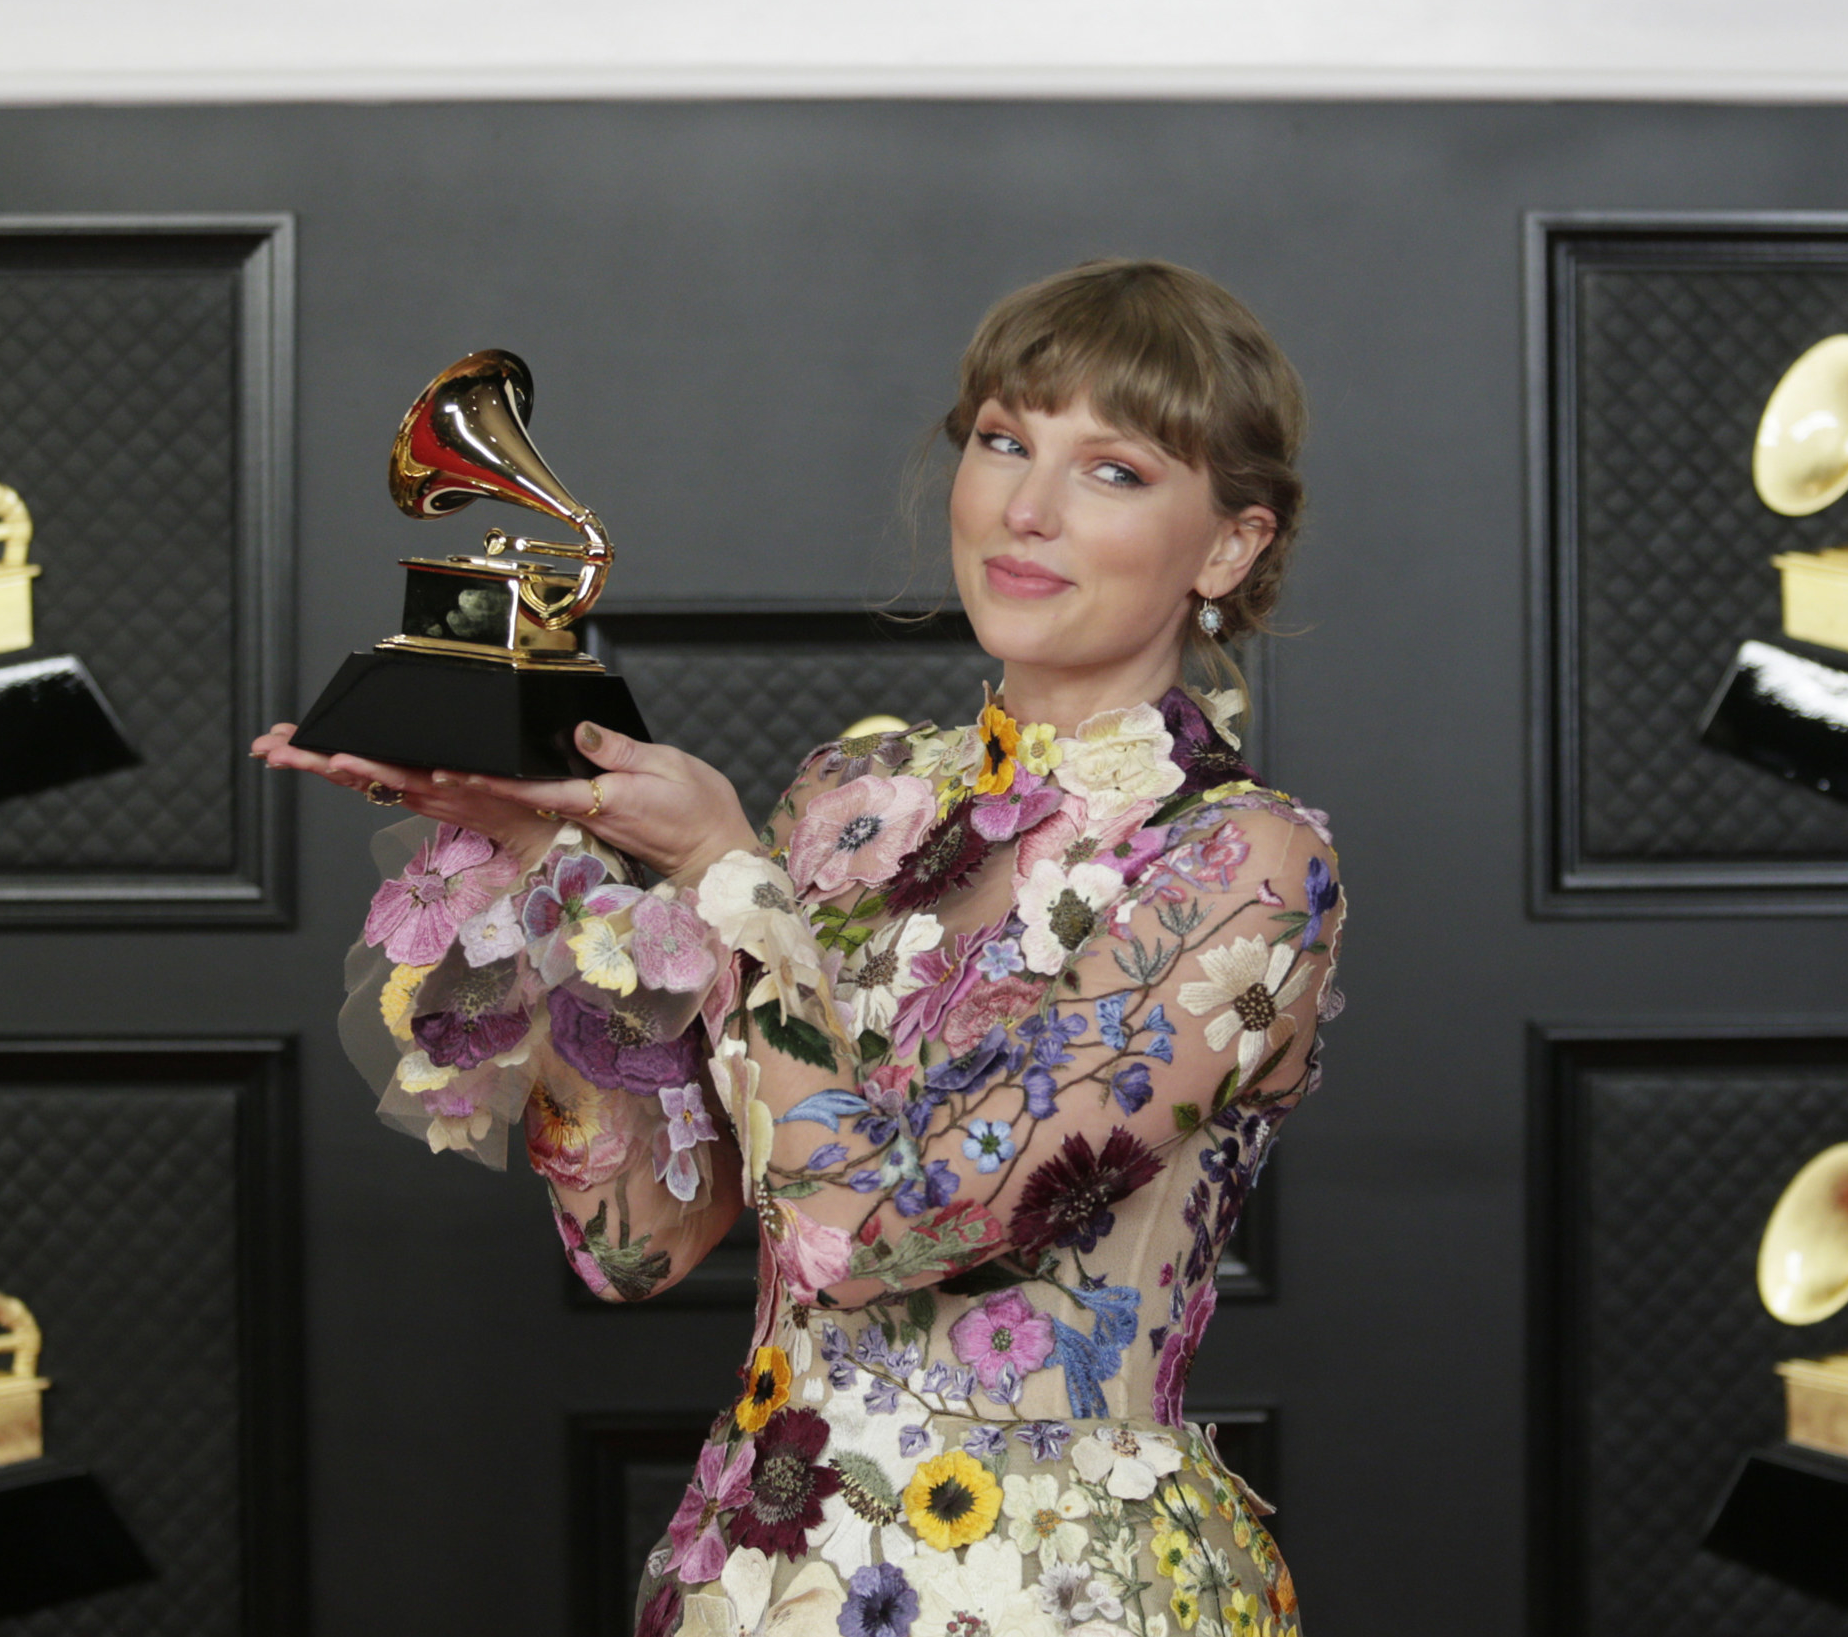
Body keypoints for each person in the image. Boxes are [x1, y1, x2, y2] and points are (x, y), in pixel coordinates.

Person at [255, 258, 1343, 1637]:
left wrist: (721, 874)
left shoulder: (1244, 861)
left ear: (1230, 546)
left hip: (1055, 1590)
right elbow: (640, 1243)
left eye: (1111, 469)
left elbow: (871, 1232)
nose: (1026, 506)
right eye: (1004, 441)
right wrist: (545, 869)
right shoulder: (852, 802)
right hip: (762, 1573)